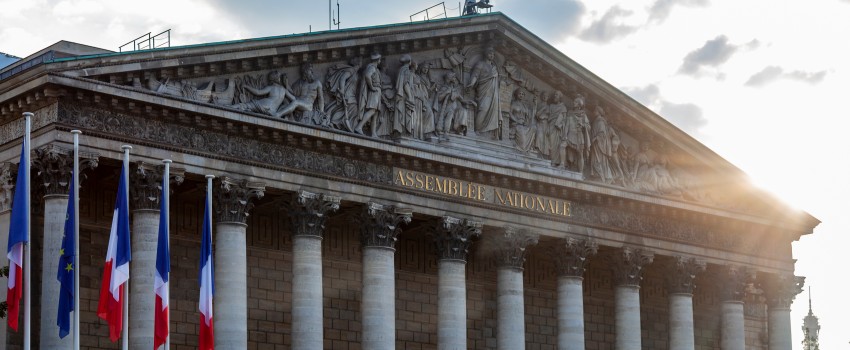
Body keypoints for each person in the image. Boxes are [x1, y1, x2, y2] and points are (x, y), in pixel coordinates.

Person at [466, 45, 500, 137]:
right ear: (485, 54)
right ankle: (478, 129)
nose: (492, 55)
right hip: (483, 91)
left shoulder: (494, 67)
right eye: (490, 53)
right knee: (483, 109)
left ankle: (488, 131)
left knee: (492, 111)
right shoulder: (480, 64)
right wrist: (472, 83)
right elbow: (475, 75)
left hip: (493, 93)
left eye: (493, 54)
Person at [325, 57, 362, 130]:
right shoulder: (352, 70)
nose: (361, 63)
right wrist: (342, 90)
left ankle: (337, 123)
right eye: (360, 61)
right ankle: (334, 122)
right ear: (358, 63)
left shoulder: (357, 73)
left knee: (347, 109)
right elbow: (343, 78)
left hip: (352, 95)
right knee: (352, 108)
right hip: (348, 94)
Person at [355, 52, 384, 136]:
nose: (380, 61)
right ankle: (359, 127)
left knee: (375, 113)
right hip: (374, 91)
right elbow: (367, 76)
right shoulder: (372, 67)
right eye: (379, 59)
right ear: (377, 60)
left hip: (377, 91)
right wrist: (371, 87)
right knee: (372, 110)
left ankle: (373, 133)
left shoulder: (375, 68)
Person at [563, 94, 591, 173]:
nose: (573, 103)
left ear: (579, 105)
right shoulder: (570, 113)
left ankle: (580, 172)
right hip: (570, 135)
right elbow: (566, 124)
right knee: (569, 155)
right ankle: (565, 165)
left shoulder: (583, 115)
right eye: (574, 101)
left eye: (575, 102)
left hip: (579, 135)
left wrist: (583, 125)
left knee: (580, 154)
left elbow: (588, 127)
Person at [589, 105, 614, 183]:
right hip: (595, 144)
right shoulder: (595, 121)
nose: (593, 112)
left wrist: (595, 138)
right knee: (595, 160)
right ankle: (597, 175)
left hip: (599, 146)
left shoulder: (600, 121)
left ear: (599, 112)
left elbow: (602, 133)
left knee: (598, 160)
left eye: (595, 111)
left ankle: (601, 176)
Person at [508, 88, 535, 152]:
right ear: (516, 94)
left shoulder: (524, 105)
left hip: (524, 125)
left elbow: (528, 116)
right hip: (516, 125)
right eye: (519, 93)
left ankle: (530, 147)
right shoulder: (513, 103)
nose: (521, 95)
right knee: (523, 144)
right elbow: (509, 113)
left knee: (534, 127)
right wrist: (516, 121)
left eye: (522, 94)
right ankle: (521, 147)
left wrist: (535, 105)